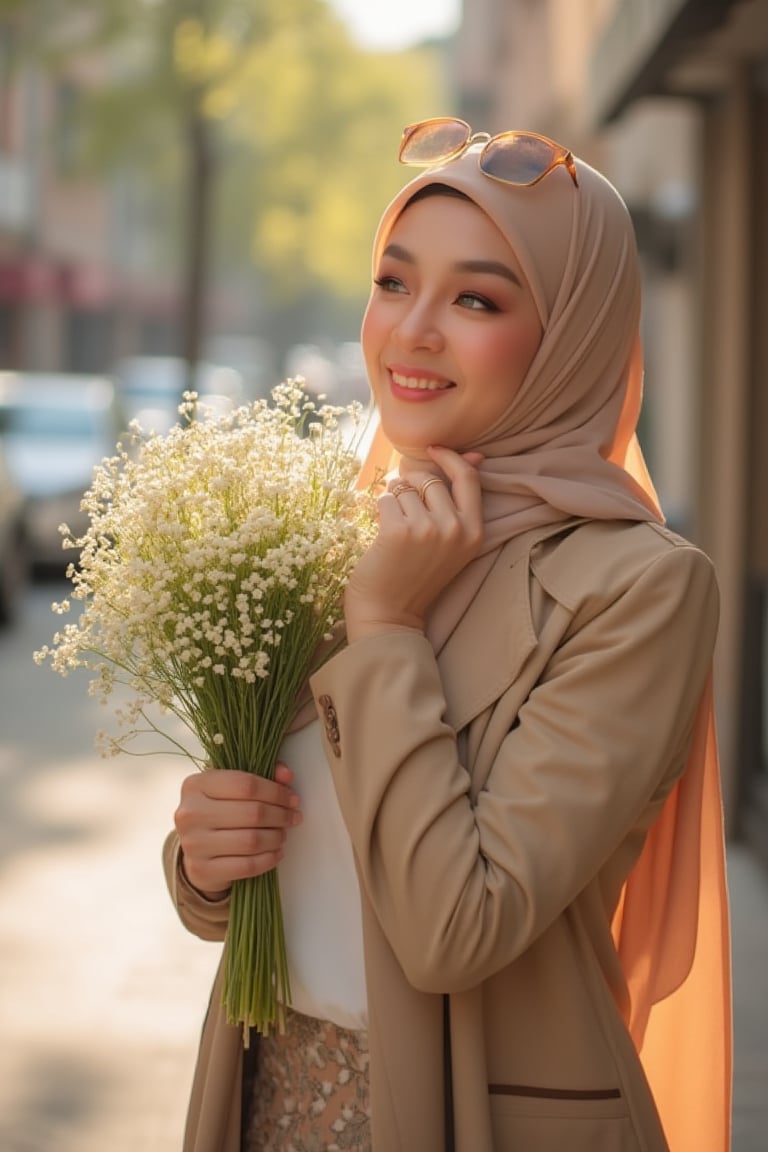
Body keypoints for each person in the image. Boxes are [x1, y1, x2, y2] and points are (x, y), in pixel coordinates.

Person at [164, 117, 732, 1152]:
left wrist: (385, 626)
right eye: (393, 283)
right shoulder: (325, 534)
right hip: (270, 1103)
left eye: (476, 298)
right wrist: (206, 857)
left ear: (570, 332)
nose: (413, 330)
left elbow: (453, 930)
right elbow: (274, 887)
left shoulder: (638, 588)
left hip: (486, 1118)